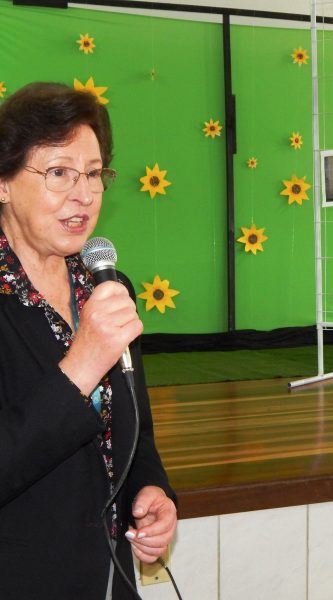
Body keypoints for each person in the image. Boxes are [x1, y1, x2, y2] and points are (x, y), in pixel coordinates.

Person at [0, 82, 177, 599]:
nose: (84, 195)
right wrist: (79, 368)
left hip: (108, 577)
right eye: (59, 173)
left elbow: (135, 428)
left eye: (94, 173)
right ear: (4, 182)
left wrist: (153, 489)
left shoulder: (105, 289)